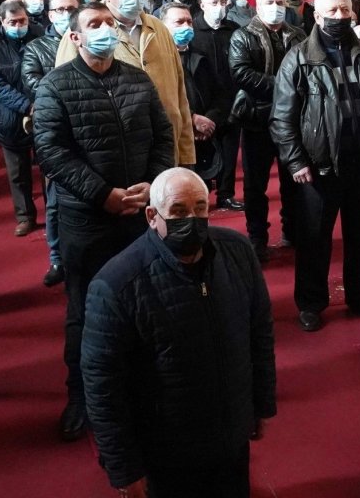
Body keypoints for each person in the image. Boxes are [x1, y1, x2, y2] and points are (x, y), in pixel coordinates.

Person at [81, 168, 275, 497]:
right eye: (179, 211)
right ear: (152, 216)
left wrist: (260, 405)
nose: (193, 219)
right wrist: (124, 467)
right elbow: (103, 388)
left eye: (200, 208)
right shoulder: (116, 284)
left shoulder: (238, 252)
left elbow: (259, 334)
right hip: (166, 454)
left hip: (230, 438)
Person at [33, 2, 176, 442]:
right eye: (93, 25)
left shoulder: (136, 79)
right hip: (88, 219)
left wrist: (150, 185)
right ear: (75, 37)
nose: (104, 30)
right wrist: (102, 195)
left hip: (138, 211)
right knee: (86, 310)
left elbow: (162, 135)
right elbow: (52, 151)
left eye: (108, 24)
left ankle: (142, 389)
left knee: (144, 302)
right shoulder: (56, 86)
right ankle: (82, 395)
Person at [272, 0, 360, 332]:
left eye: (344, 10)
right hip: (318, 164)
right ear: (318, 16)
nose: (339, 17)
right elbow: (282, 118)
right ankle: (311, 303)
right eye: (332, 11)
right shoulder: (299, 58)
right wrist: (295, 162)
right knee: (314, 239)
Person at [56, 0, 195, 167]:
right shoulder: (85, 34)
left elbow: (179, 94)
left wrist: (186, 154)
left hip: (165, 148)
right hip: (113, 154)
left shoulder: (158, 27)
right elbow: (66, 95)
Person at [229, 0, 305, 261]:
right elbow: (241, 74)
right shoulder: (243, 36)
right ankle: (257, 237)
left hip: (291, 121)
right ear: (257, 7)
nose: (276, 6)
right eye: (270, 2)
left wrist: (290, 93)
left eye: (280, 1)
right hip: (257, 119)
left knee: (293, 180)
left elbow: (307, 69)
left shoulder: (297, 35)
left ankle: (293, 232)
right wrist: (285, 88)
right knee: (255, 185)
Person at [21, 0, 80, 288]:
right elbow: (34, 83)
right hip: (55, 131)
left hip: (88, 127)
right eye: (59, 10)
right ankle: (57, 257)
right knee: (56, 200)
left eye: (71, 8)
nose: (66, 15)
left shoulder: (88, 40)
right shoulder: (36, 48)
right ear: (49, 13)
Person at [0, 0, 43, 236]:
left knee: (49, 167)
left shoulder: (39, 34)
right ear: (2, 21)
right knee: (18, 173)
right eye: (13, 22)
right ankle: (25, 216)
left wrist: (42, 103)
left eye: (22, 21)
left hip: (43, 111)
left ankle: (54, 212)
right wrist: (27, 106)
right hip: (10, 116)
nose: (19, 25)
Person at [162, 2, 228, 180]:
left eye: (189, 22)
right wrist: (191, 119)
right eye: (179, 22)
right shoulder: (157, 61)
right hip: (172, 139)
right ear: (162, 26)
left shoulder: (201, 56)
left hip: (204, 137)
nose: (186, 27)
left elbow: (220, 94)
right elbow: (161, 99)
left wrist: (209, 121)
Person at [195, 0, 244, 211]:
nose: (219, 6)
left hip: (231, 101)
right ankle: (200, 196)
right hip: (202, 103)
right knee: (201, 153)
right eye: (213, 3)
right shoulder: (193, 30)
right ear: (203, 5)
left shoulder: (233, 30)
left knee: (229, 151)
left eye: (222, 2)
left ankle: (226, 194)